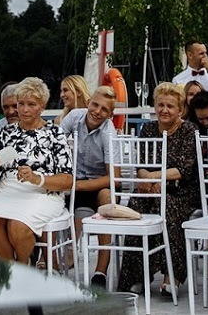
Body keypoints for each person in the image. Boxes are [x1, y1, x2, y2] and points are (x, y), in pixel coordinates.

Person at [118, 82, 200, 297]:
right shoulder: (148, 129)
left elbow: (183, 169)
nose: (164, 110)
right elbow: (141, 165)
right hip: (152, 189)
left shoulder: (189, 130)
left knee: (168, 208)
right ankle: (135, 276)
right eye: (160, 105)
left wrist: (154, 177)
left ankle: (171, 276)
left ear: (180, 110)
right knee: (134, 207)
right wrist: (147, 177)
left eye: (170, 106)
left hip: (181, 192)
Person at [0, 77, 75, 264]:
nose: (24, 109)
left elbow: (68, 181)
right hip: (8, 189)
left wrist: (37, 178)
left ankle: (24, 266)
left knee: (17, 226)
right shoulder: (6, 133)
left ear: (43, 106)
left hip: (43, 192)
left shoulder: (54, 133)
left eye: (31, 104)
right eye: (21, 103)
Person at [61, 87, 117, 286]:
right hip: (73, 182)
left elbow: (115, 177)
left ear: (110, 115)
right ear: (88, 103)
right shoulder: (74, 117)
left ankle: (101, 271)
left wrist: (78, 185)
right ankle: (51, 259)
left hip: (97, 185)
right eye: (95, 105)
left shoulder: (108, 132)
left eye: (104, 109)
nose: (97, 111)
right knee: (48, 193)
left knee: (107, 197)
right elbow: (53, 142)